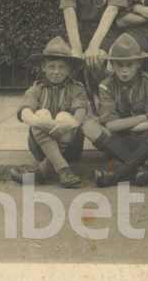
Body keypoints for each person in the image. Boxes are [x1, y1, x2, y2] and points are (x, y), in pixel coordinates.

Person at [85, 33, 148, 187]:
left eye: (129, 65)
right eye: (120, 65)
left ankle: (115, 176)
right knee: (88, 125)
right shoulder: (106, 85)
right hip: (120, 140)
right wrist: (142, 117)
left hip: (145, 139)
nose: (124, 71)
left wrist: (125, 124)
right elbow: (111, 125)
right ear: (112, 64)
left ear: (138, 63)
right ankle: (139, 169)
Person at [9, 37, 88, 188]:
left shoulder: (76, 88)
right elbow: (25, 113)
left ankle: (43, 171)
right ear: (43, 67)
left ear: (69, 69)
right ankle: (63, 170)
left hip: (71, 146)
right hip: (39, 147)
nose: (56, 72)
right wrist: (41, 122)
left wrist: (66, 124)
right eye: (51, 67)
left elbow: (80, 114)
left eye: (62, 67)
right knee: (40, 114)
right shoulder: (36, 88)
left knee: (64, 116)